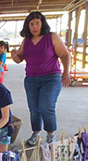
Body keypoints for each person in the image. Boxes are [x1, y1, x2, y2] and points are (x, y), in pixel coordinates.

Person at [11, 11, 70, 146]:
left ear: (42, 23)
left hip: (51, 78)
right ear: (28, 26)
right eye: (31, 24)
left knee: (46, 107)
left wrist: (66, 72)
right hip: (31, 79)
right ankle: (36, 134)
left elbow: (65, 55)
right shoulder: (26, 41)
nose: (34, 27)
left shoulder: (52, 37)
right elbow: (19, 59)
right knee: (34, 109)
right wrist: (14, 56)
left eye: (37, 23)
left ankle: (50, 135)